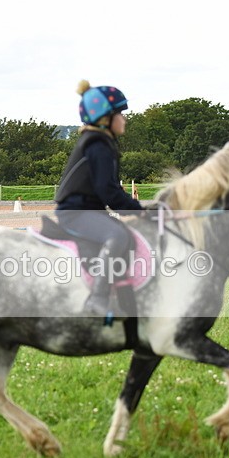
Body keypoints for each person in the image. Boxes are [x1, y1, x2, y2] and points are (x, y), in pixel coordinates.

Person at [55, 80, 143, 318]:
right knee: (117, 235)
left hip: (89, 209)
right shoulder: (99, 146)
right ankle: (98, 298)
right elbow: (109, 192)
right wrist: (138, 209)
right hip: (76, 212)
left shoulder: (101, 143)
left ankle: (123, 296)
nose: (124, 120)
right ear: (105, 119)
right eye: (120, 115)